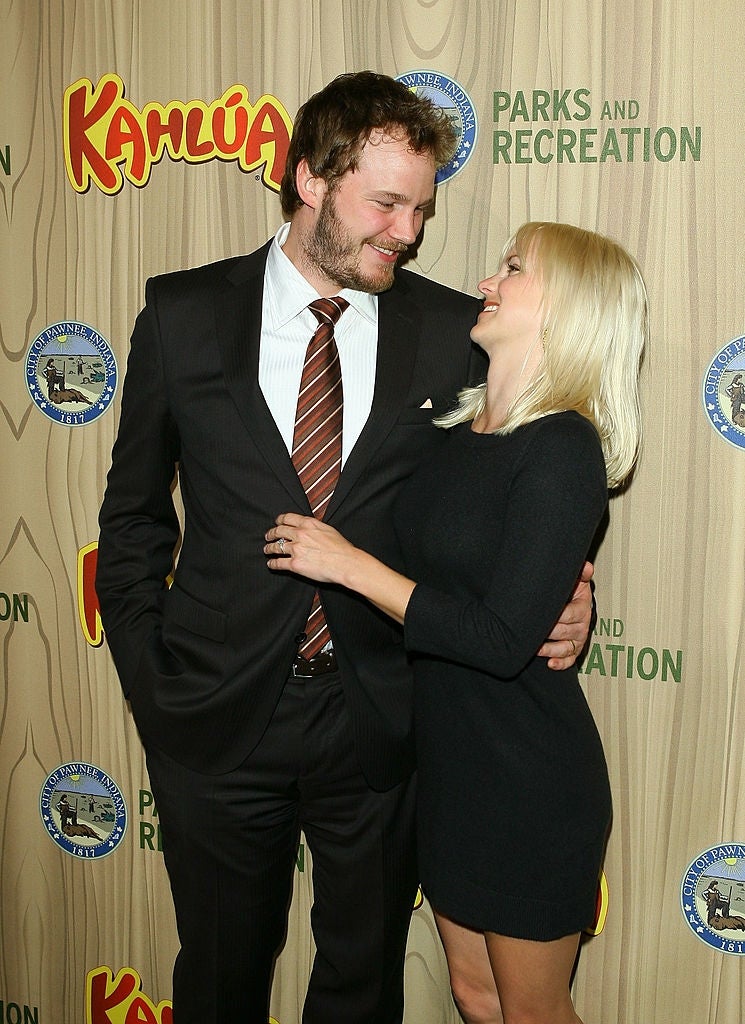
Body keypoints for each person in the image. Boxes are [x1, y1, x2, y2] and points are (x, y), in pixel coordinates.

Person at [96, 72, 593, 1024]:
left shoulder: (451, 330)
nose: (408, 232)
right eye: (387, 204)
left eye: (422, 210)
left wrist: (566, 603)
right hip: (213, 716)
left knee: (362, 988)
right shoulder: (184, 314)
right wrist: (153, 679)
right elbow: (132, 520)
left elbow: (506, 505)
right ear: (311, 181)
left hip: (383, 719)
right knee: (218, 979)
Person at [265, 220, 647, 1024]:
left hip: (527, 780)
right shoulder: (450, 432)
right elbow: (463, 580)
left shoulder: (562, 447)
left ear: (568, 306)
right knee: (474, 997)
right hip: (447, 770)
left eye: (513, 269)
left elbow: (501, 639)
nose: (487, 281)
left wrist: (348, 566)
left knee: (532, 1013)